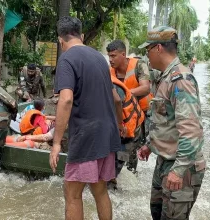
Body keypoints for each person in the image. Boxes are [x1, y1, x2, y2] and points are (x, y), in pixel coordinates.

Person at [49, 16, 123, 220]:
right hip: (106, 135)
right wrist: (119, 125)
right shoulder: (99, 58)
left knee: (72, 193)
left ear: (60, 40)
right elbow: (116, 99)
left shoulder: (66, 58)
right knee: (100, 191)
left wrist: (56, 143)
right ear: (81, 36)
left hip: (87, 136)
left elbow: (65, 101)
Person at [137, 26, 206, 220]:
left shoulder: (180, 80)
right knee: (157, 213)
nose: (146, 55)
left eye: (147, 50)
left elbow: (191, 131)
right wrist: (150, 145)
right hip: (165, 161)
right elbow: (166, 121)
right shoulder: (164, 78)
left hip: (181, 168)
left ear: (158, 48)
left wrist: (178, 169)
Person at [107, 40, 153, 171]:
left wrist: (125, 94)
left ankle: (131, 172)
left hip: (141, 115)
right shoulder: (110, 71)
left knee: (133, 149)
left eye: (113, 56)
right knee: (118, 151)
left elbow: (146, 88)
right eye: (109, 56)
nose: (110, 59)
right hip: (121, 116)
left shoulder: (139, 65)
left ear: (123, 54)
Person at [109, 74, 145, 189]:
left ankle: (116, 186)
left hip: (130, 129)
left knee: (120, 158)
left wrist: (119, 125)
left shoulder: (112, 85)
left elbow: (117, 101)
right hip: (121, 127)